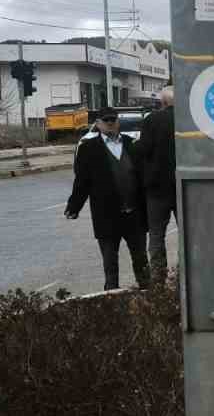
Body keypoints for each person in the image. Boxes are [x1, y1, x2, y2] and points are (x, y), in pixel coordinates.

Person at [66, 110, 149, 290]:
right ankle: (112, 300)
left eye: (114, 120)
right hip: (106, 216)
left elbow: (144, 176)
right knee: (110, 264)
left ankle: (148, 298)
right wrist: (74, 207)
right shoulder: (88, 148)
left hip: (134, 214)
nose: (111, 123)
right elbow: (82, 181)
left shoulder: (132, 144)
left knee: (141, 260)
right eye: (106, 120)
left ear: (118, 122)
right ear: (98, 123)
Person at [141, 87, 178, 280]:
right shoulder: (188, 120)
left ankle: (158, 280)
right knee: (189, 233)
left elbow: (143, 150)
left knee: (156, 236)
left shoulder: (151, 120)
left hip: (157, 189)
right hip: (184, 186)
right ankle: (188, 275)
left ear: (162, 103)